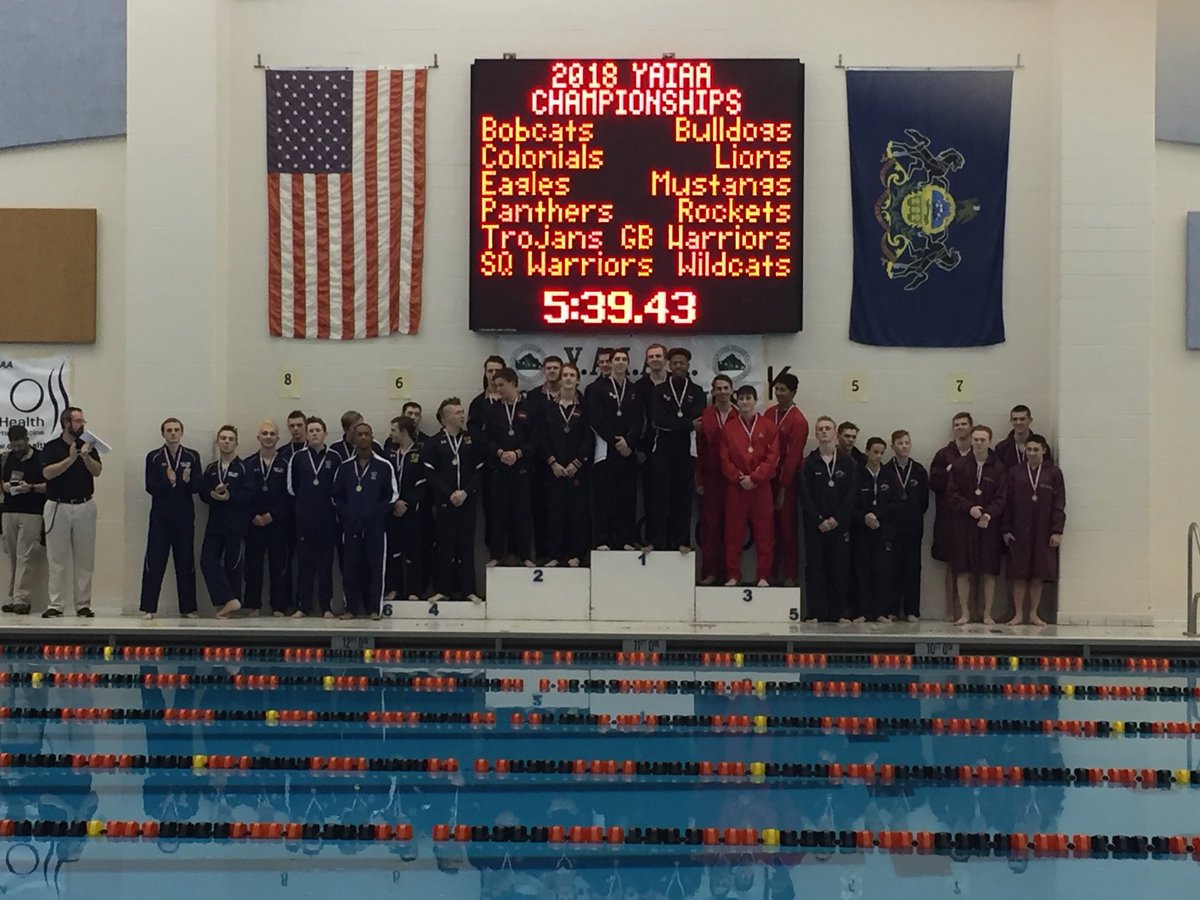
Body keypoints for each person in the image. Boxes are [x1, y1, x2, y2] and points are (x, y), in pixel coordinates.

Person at [39, 407, 102, 618]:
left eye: (83, 420)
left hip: (84, 505)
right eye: (78, 420)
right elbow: (48, 473)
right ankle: (56, 604)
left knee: (85, 558)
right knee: (57, 558)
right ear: (66, 423)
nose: (82, 423)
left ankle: (83, 604)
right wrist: (70, 459)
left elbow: (97, 471)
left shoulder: (88, 445)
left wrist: (85, 457)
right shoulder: (51, 447)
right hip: (58, 505)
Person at [332, 422, 397, 619]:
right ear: (353, 438)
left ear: (371, 437)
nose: (362, 437)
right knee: (351, 568)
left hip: (375, 527)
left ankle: (374, 609)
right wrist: (348, 513)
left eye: (366, 434)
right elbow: (336, 496)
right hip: (351, 527)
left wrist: (375, 513)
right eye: (359, 434)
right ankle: (351, 608)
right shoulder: (344, 468)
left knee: (375, 568)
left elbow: (392, 495)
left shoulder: (384, 466)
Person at [139, 418, 202, 620]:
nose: (173, 433)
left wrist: (187, 481)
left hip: (184, 518)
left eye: (176, 430)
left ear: (181, 432)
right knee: (154, 562)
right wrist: (168, 481)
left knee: (185, 562)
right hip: (160, 518)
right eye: (169, 430)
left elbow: (198, 487)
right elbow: (150, 487)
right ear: (163, 434)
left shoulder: (192, 456)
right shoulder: (154, 457)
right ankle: (149, 608)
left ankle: (188, 608)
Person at [425, 398, 485, 605]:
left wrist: (465, 492)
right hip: (445, 502)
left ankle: (469, 589)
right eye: (457, 412)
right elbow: (431, 474)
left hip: (467, 501)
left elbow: (479, 469)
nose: (462, 415)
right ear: (445, 418)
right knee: (446, 545)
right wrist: (449, 493)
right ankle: (443, 589)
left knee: (466, 545)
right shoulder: (434, 443)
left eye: (462, 411)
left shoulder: (471, 439)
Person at [798, 416, 858, 623]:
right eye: (820, 429)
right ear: (816, 434)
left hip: (839, 526)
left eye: (828, 429)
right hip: (816, 526)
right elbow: (804, 495)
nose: (824, 432)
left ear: (835, 434)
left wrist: (837, 519)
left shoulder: (847, 463)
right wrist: (819, 519)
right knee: (815, 568)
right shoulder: (808, 462)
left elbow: (851, 494)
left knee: (839, 568)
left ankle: (838, 612)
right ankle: (816, 612)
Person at [1001, 434, 1065, 627]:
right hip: (1019, 529)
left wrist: (1057, 530)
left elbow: (1059, 503)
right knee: (1019, 573)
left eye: (1036, 449)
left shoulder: (1053, 473)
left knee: (1038, 573)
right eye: (1029, 449)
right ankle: (1018, 614)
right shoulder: (1015, 472)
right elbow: (1007, 502)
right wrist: (1006, 529)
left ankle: (1033, 614)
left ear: (1043, 450)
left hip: (1043, 530)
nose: (1032, 453)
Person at [719, 385, 779, 587]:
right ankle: (733, 575)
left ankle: (763, 575)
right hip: (736, 488)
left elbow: (773, 457)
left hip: (760, 488)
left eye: (749, 398)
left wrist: (755, 478)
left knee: (765, 534)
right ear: (737, 401)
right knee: (733, 534)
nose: (745, 402)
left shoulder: (769, 426)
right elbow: (724, 458)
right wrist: (738, 478)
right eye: (742, 398)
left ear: (755, 401)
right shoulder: (728, 428)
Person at [947, 425, 1008, 626]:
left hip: (989, 526)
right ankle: (964, 613)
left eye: (983, 439)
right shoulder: (960, 465)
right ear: (971, 441)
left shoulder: (999, 467)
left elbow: (1002, 496)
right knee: (963, 569)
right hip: (963, 525)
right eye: (976, 439)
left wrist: (989, 513)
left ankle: (986, 614)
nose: (979, 443)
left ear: (990, 441)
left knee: (989, 571)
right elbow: (952, 494)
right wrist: (969, 508)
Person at [646, 348, 706, 552]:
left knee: (682, 498)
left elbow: (699, 419)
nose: (678, 366)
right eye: (675, 363)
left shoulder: (697, 391)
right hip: (662, 449)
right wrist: (686, 423)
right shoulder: (659, 390)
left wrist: (678, 422)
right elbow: (658, 420)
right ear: (669, 366)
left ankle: (681, 541)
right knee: (660, 497)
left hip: (686, 451)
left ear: (688, 365)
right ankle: (657, 541)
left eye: (682, 363)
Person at [586, 348, 643, 551]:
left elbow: (639, 420)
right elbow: (595, 418)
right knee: (603, 497)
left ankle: (625, 539)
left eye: (623, 359)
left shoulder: (634, 389)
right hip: (605, 449)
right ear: (609, 364)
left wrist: (628, 441)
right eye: (616, 359)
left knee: (626, 497)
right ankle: (602, 539)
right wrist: (615, 441)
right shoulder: (596, 388)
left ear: (628, 364)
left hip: (627, 450)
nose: (620, 362)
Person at [536, 363, 591, 567]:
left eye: (572, 375)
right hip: (555, 470)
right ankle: (555, 555)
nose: (568, 378)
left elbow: (588, 439)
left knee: (578, 513)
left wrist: (577, 463)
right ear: (560, 379)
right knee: (555, 513)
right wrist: (553, 463)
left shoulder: (584, 408)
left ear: (577, 380)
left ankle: (577, 554)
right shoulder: (548, 409)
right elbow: (542, 438)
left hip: (577, 470)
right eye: (565, 375)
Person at [482, 367, 535, 567]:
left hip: (522, 468)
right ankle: (496, 554)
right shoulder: (492, 409)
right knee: (498, 513)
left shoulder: (529, 408)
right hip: (499, 468)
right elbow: (487, 438)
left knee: (522, 513)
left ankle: (525, 555)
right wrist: (500, 453)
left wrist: (518, 453)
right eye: (496, 386)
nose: (498, 389)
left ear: (513, 383)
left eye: (501, 385)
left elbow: (535, 438)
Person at [287, 416, 339, 618]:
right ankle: (303, 606)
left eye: (318, 430)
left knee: (326, 563)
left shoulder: (334, 458)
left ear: (325, 433)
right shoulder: (298, 458)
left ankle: (326, 606)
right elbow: (292, 488)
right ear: (307, 435)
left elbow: (339, 486)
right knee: (305, 562)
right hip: (304, 517)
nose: (315, 433)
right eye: (311, 431)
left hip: (327, 517)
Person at [199, 425, 251, 619]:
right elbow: (203, 493)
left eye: (230, 439)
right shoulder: (212, 469)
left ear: (236, 443)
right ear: (218, 442)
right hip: (215, 523)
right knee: (207, 561)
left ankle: (228, 605)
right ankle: (229, 599)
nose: (227, 441)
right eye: (223, 438)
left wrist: (230, 496)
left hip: (235, 524)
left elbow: (249, 495)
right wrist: (212, 495)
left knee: (233, 566)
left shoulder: (244, 467)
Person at [242, 420, 293, 617]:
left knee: (278, 566)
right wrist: (253, 515)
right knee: (252, 566)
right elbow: (244, 495)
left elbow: (290, 495)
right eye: (265, 433)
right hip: (254, 523)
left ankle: (278, 606)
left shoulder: (286, 464)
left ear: (278, 438)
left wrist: (273, 515)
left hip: (277, 523)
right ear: (258, 438)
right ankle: (253, 605)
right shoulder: (248, 464)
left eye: (272, 434)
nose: (268, 437)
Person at [929, 412, 974, 619]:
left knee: (975, 566)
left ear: (971, 427)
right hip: (949, 517)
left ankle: (973, 611)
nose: (960, 427)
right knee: (951, 564)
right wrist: (948, 471)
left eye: (964, 424)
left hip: (974, 517)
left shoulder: (980, 451)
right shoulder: (943, 455)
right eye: (956, 424)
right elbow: (934, 484)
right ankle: (950, 610)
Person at [767, 373, 810, 586]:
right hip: (767, 479)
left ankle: (790, 575)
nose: (779, 393)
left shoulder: (798, 420)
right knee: (768, 529)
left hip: (788, 481)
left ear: (793, 392)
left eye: (783, 390)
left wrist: (783, 488)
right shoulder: (769, 413)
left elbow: (793, 456)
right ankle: (770, 572)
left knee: (787, 529)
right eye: (777, 389)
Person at [853, 437, 900, 623]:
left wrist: (877, 516)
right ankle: (863, 612)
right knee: (862, 571)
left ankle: (881, 611)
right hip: (862, 530)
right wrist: (865, 516)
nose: (878, 456)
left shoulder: (889, 475)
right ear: (867, 451)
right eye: (875, 452)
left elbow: (895, 504)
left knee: (882, 572)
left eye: (881, 453)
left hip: (882, 530)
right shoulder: (857, 474)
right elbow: (851, 502)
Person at [1, 425, 46, 615]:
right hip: (9, 510)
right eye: (14, 446)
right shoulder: (5, 458)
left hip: (32, 511)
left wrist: (31, 487)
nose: (17, 450)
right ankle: (13, 597)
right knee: (12, 556)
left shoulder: (40, 457)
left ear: (27, 440)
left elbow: (50, 485)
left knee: (25, 556)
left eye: (20, 445)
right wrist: (4, 486)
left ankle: (22, 599)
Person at [696, 374, 735, 585]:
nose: (722, 391)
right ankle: (710, 572)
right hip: (711, 480)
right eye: (718, 388)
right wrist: (699, 480)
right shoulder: (706, 416)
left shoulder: (738, 415)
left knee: (732, 529)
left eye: (725, 388)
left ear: (731, 390)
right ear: (712, 392)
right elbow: (699, 451)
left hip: (733, 481)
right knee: (710, 528)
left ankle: (730, 573)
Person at [888, 429, 930, 622]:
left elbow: (924, 501)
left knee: (913, 569)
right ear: (893, 446)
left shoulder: (919, 470)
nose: (904, 446)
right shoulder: (887, 470)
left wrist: (912, 517)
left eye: (907, 442)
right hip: (892, 529)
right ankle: (892, 609)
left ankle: (912, 610)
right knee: (892, 569)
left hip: (913, 528)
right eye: (900, 443)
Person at [385, 416, 427, 600]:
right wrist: (395, 502)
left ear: (403, 431)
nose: (390, 433)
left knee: (413, 551)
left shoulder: (421, 453)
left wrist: (406, 503)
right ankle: (394, 588)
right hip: (393, 510)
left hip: (413, 512)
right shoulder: (389, 454)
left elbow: (423, 483)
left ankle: (413, 590)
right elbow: (385, 482)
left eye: (394, 430)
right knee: (393, 551)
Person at [634, 343, 669, 541]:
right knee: (650, 496)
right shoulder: (640, 387)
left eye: (658, 356)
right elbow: (636, 418)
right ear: (647, 360)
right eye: (651, 356)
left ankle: (671, 543)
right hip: (647, 449)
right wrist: (639, 448)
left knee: (671, 497)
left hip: (673, 448)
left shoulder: (676, 384)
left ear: (665, 359)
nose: (655, 359)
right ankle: (653, 540)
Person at [994, 405, 1053, 469]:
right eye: (1015, 419)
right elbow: (999, 473)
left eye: (1022, 419)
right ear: (1011, 421)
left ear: (1030, 420)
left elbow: (1048, 470)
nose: (1018, 422)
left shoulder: (1041, 445)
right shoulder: (1001, 448)